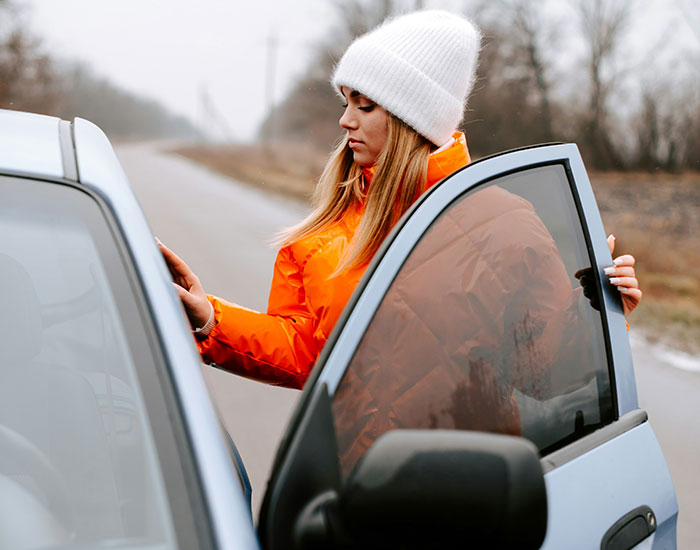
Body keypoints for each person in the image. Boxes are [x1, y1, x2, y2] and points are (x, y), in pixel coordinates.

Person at [158, 9, 641, 393]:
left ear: (414, 121)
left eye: (365, 105)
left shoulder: (504, 226)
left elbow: (546, 376)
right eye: (345, 102)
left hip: (472, 496)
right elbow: (308, 353)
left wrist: (602, 311)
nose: (346, 120)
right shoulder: (325, 233)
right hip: (349, 491)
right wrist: (212, 319)